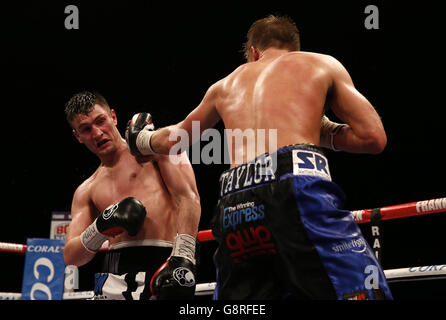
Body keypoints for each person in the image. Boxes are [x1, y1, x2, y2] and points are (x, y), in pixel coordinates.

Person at [126, 15, 392, 299]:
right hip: (296, 186)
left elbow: (175, 138)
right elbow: (373, 137)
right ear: (295, 48)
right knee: (364, 290)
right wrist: (323, 130)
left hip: (234, 201)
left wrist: (140, 139)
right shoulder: (319, 63)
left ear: (253, 52)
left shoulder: (225, 84)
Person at [63, 91, 201, 300]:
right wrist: (100, 226)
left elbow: (188, 198)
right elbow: (71, 256)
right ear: (78, 136)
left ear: (114, 117)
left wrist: (183, 257)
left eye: (101, 121)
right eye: (86, 129)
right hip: (112, 277)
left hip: (162, 265)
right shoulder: (86, 189)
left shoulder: (156, 150)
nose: (98, 133)